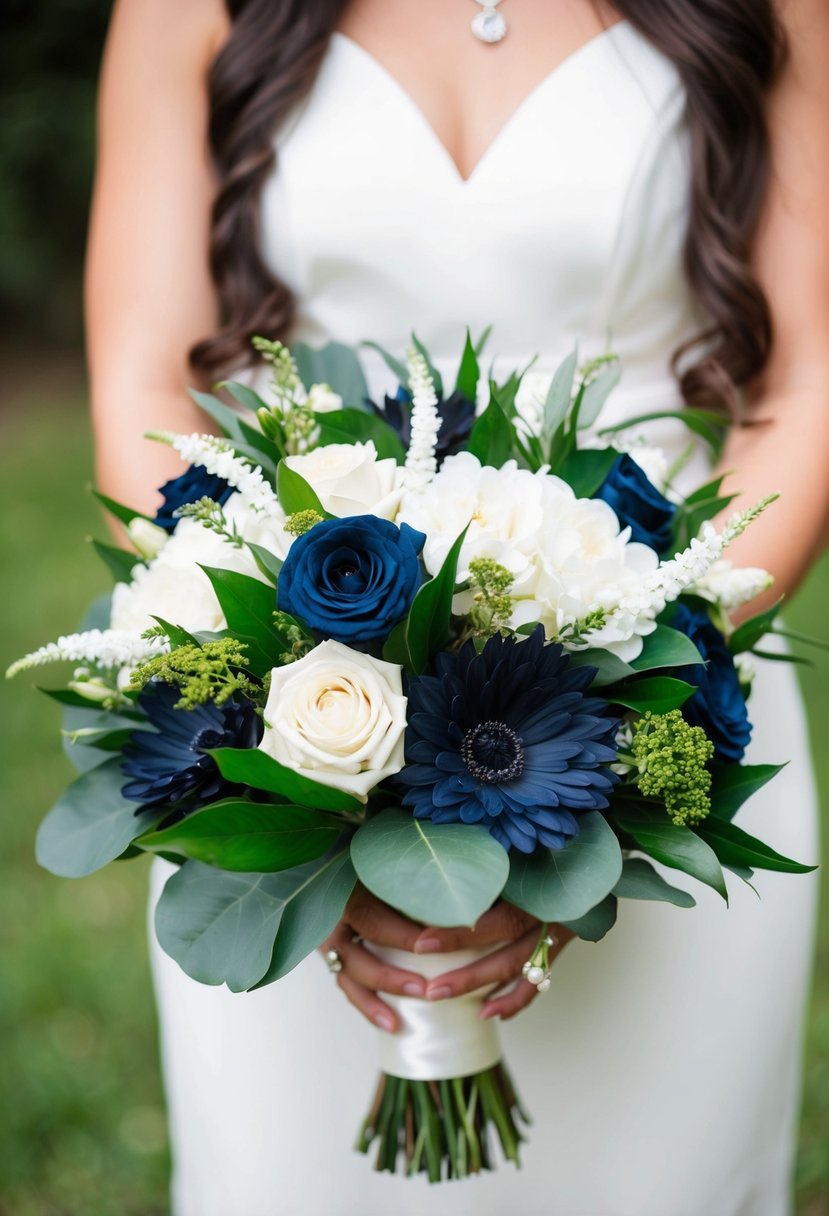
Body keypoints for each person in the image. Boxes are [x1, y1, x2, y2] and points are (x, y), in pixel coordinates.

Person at [86, 1, 827, 1212]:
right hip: (284, 679)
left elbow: (802, 380)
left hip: (675, 663)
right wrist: (314, 756)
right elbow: (143, 380)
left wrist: (640, 678)